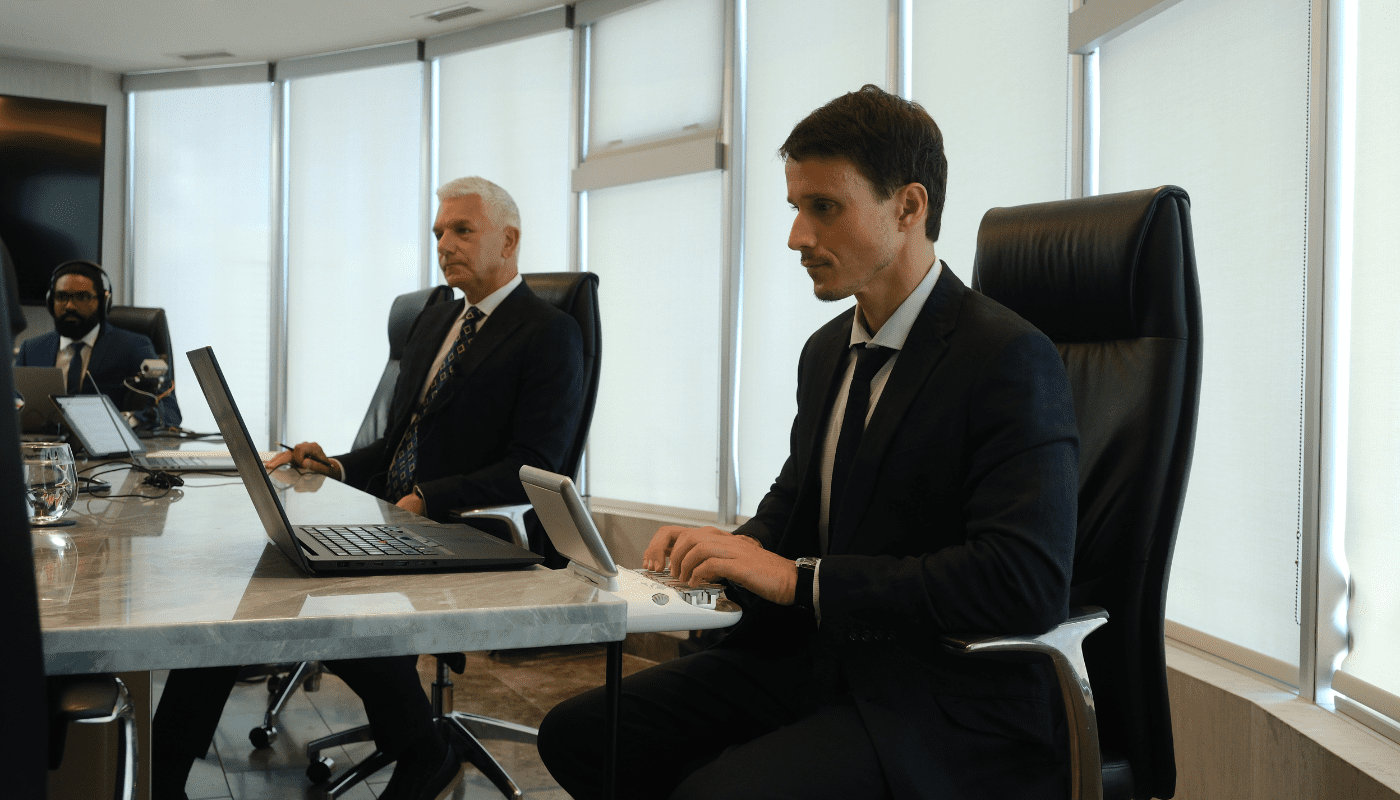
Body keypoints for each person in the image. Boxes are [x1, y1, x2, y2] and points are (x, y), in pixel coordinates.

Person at [536, 85, 1079, 800]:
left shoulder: (1008, 356)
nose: (796, 236)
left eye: (825, 207)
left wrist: (804, 581)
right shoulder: (827, 352)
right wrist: (717, 555)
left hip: (937, 693)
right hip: (814, 661)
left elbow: (1022, 581)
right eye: (795, 207)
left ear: (909, 207)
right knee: (581, 737)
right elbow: (795, 512)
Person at [152, 176, 586, 800]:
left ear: (509, 240)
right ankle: (165, 772)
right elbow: (394, 446)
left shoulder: (548, 333)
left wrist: (429, 498)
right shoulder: (435, 322)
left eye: (462, 230)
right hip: (395, 518)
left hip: (471, 530)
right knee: (248, 592)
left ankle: (421, 751)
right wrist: (335, 469)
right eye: (439, 231)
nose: (444, 243)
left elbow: (537, 463)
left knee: (306, 597)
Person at [15, 260, 182, 427]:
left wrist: (126, 421)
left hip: (110, 448)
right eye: (61, 297)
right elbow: (11, 403)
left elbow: (169, 411)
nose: (69, 306)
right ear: (50, 301)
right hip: (44, 448)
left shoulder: (133, 347)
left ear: (104, 302)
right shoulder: (31, 350)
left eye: (82, 297)